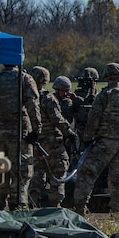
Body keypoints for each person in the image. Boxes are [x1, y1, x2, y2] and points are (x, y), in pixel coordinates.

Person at [71, 62, 119, 216]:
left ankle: (80, 208)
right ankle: (116, 210)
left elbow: (94, 117)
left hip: (106, 141)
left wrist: (87, 138)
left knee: (87, 172)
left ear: (106, 76)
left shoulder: (104, 95)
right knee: (117, 176)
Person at [0, 64, 42, 211]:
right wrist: (36, 130)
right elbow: (32, 105)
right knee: (22, 170)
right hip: (19, 131)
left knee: (0, 169)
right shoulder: (24, 78)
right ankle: (18, 206)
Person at [30, 70, 78, 208]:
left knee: (38, 172)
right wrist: (69, 133)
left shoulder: (27, 96)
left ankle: (31, 202)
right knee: (59, 170)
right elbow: (56, 118)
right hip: (52, 142)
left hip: (36, 142)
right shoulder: (47, 98)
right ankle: (55, 206)